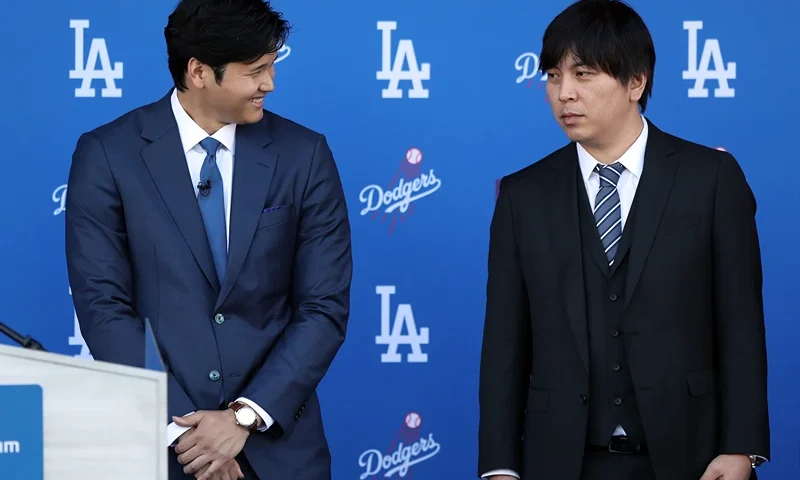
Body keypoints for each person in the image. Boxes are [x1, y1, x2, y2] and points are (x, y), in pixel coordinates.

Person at [477, 1, 770, 479]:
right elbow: (504, 342)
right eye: (553, 75)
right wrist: (500, 467)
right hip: (562, 461)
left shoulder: (711, 179)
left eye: (583, 74)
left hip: (691, 458)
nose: (564, 93)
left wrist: (742, 448)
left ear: (637, 82)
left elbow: (740, 322)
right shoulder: (522, 195)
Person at [64, 0, 352, 479]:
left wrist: (243, 417)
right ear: (198, 71)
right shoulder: (108, 155)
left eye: (272, 67)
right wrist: (189, 433)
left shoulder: (305, 154)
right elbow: (103, 307)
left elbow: (323, 306)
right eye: (255, 70)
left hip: (281, 451)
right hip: (163, 453)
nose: (270, 84)